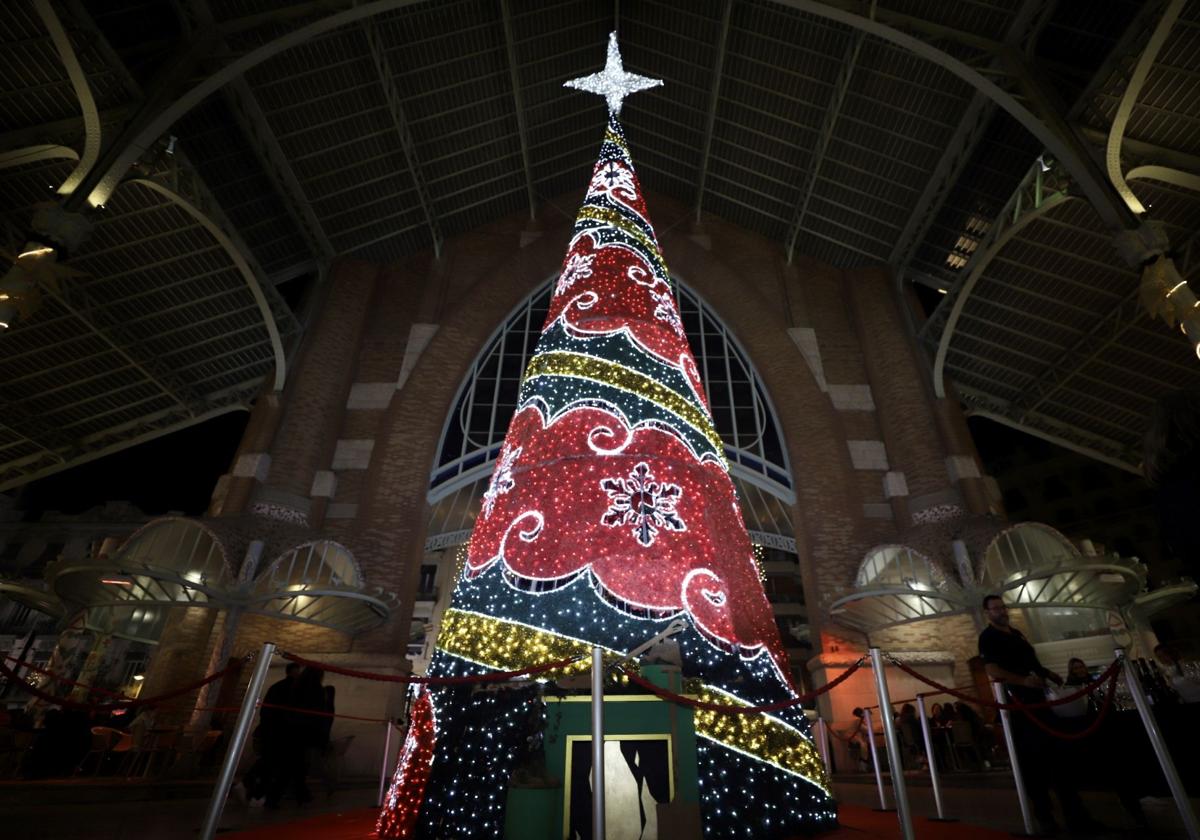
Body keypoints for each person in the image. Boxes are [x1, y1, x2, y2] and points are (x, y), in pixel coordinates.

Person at [978, 594, 1100, 835]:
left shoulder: (1017, 633)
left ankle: (1076, 814)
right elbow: (992, 668)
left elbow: (1031, 662)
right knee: (1034, 764)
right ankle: (1045, 817)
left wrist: (1048, 674)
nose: (1002, 611)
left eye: (1003, 607)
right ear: (987, 613)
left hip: (1041, 702)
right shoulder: (988, 638)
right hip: (1021, 706)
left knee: (1059, 759)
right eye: (996, 608)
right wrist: (1022, 680)